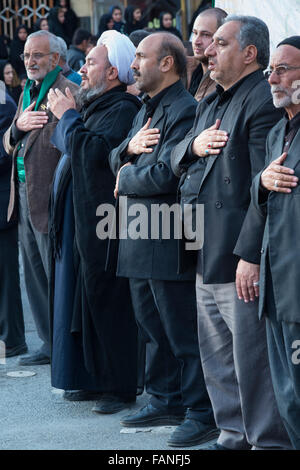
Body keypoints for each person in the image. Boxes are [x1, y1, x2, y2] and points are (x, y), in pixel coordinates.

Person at [171, 15, 291, 450]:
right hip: (203, 246)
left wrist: (251, 255)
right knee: (217, 358)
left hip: (239, 252)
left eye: (219, 43)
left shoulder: (262, 100)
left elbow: (263, 189)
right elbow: (175, 153)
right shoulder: (209, 101)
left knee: (251, 361)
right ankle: (232, 434)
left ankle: (266, 440)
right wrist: (193, 145)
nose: (207, 50)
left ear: (249, 54)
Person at [109, 32, 216, 448]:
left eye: (140, 56)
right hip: (138, 233)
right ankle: (164, 398)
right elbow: (115, 155)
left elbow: (168, 172)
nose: (133, 64)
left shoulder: (186, 110)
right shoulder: (145, 108)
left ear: (167, 64)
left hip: (168, 236)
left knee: (182, 332)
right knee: (152, 328)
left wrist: (125, 175)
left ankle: (200, 412)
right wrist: (127, 151)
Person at [47, 30, 141, 412]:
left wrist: (68, 116)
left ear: (114, 72)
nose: (82, 69)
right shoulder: (97, 105)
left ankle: (116, 387)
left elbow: (94, 155)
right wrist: (71, 117)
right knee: (80, 301)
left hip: (103, 224)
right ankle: (87, 377)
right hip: (80, 221)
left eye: (91, 63)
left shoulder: (121, 109)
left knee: (106, 302)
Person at [234, 36, 300, 450]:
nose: (272, 79)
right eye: (270, 71)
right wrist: (248, 257)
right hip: (277, 288)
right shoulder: (279, 131)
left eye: (283, 70)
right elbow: (260, 197)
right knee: (289, 398)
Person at [3, 30, 79, 366]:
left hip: (52, 199)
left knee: (57, 280)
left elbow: (75, 145)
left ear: (56, 59)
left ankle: (66, 349)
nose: (30, 62)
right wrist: (17, 129)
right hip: (22, 197)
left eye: (38, 55)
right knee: (34, 278)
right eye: (27, 56)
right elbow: (8, 143)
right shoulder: (26, 92)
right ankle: (49, 344)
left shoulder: (69, 91)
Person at [0, 91, 27, 358]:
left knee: (6, 275)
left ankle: (13, 339)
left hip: (2, 204)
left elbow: (5, 149)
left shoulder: (4, 104)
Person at [188, 7, 227, 100]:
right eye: (195, 33)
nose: (196, 41)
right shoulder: (184, 71)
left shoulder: (224, 82)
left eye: (205, 35)